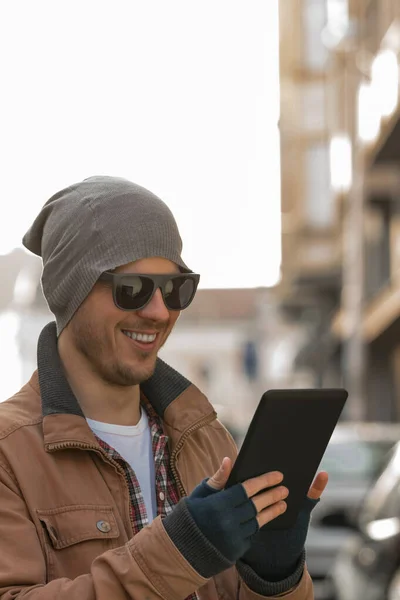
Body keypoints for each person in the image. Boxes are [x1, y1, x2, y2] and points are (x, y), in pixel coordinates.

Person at [0, 176, 328, 600]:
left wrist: (274, 578)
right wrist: (180, 553)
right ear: (72, 291)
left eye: (175, 289)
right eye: (132, 289)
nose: (159, 312)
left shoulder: (208, 440)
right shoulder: (9, 455)